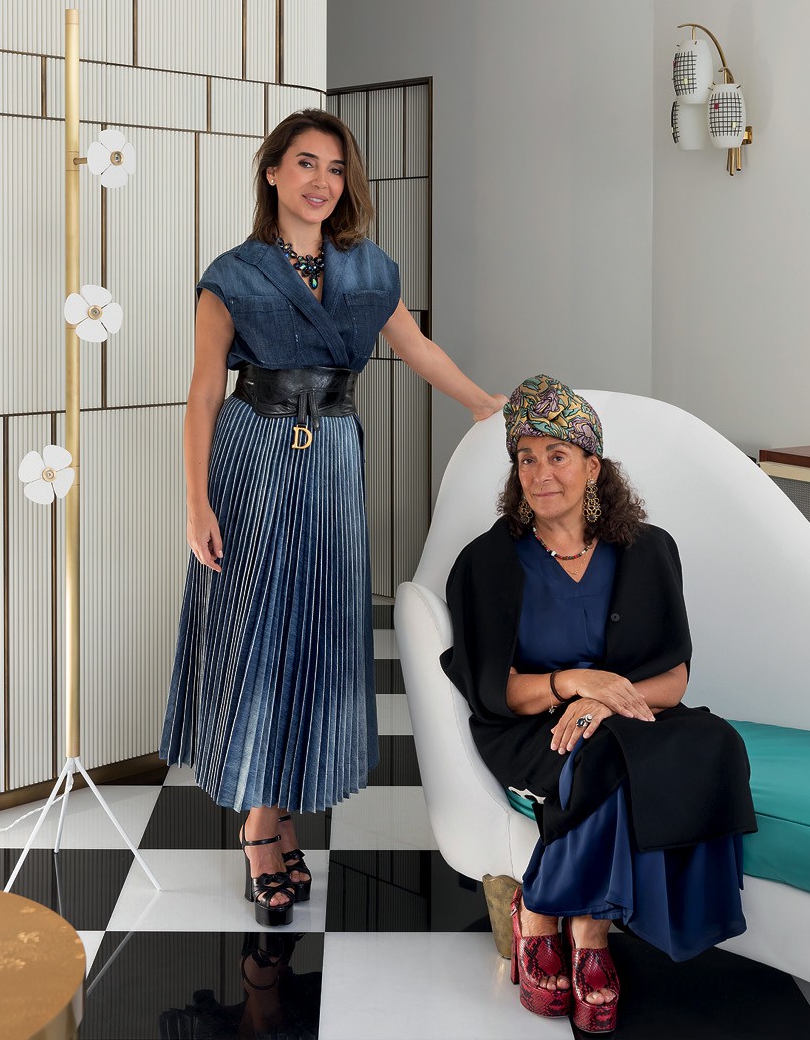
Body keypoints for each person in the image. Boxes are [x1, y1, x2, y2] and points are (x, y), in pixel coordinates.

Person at [160, 107, 504, 927]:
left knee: (318, 626)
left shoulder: (367, 269)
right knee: (258, 627)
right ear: (273, 171)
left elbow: (418, 350)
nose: (322, 181)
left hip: (335, 455)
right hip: (255, 452)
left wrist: (485, 404)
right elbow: (204, 393)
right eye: (307, 163)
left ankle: (281, 812)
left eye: (336, 167)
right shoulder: (233, 274)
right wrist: (196, 501)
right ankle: (258, 823)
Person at [442, 375, 757, 1034]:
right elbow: (497, 690)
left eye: (557, 455)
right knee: (610, 757)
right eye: (526, 458)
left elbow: (674, 678)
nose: (540, 473)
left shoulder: (648, 549)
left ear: (593, 466)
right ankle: (590, 937)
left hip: (629, 717)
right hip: (530, 727)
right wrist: (575, 684)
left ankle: (544, 907)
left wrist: (610, 702)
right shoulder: (488, 562)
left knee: (716, 741)